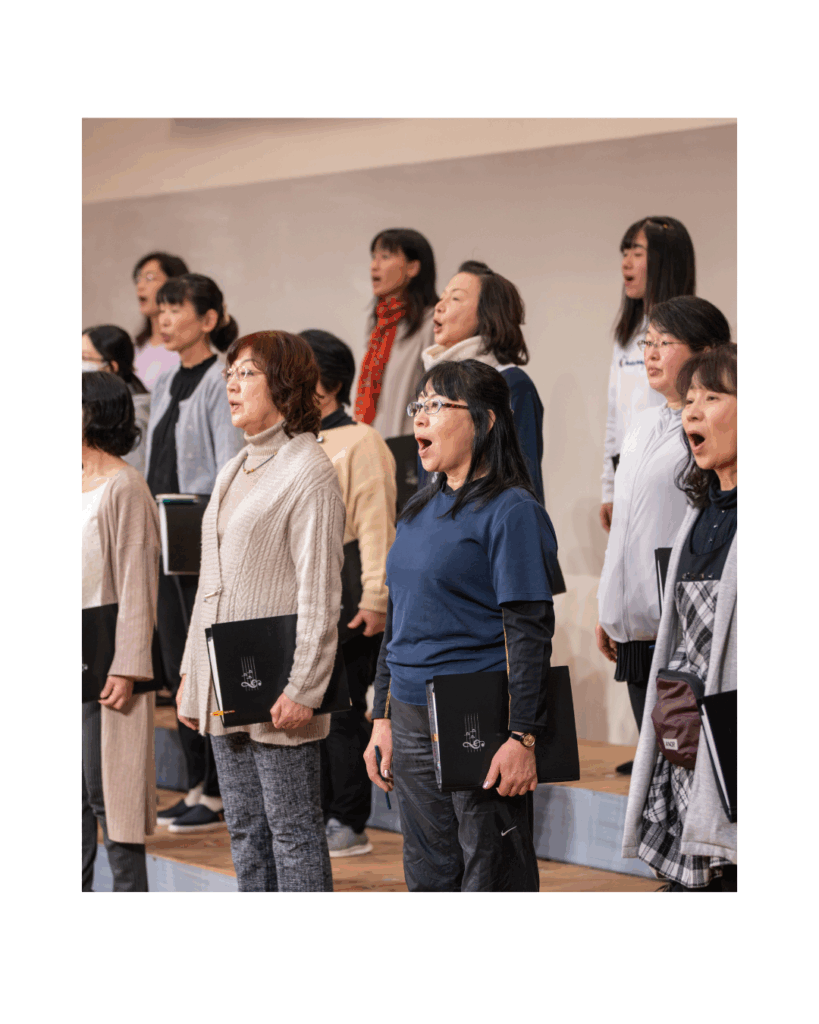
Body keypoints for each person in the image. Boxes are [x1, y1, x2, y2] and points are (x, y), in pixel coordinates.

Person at [365, 359, 560, 891]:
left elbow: (529, 632)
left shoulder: (512, 509)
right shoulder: (417, 508)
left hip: (476, 708)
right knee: (428, 870)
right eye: (419, 405)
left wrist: (523, 735)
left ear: (485, 420)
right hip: (408, 709)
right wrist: (381, 717)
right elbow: (396, 623)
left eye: (437, 405)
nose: (420, 417)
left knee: (490, 872)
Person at [176, 331, 345, 891]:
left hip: (278, 687)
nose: (232, 383)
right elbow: (210, 585)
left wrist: (305, 686)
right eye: (230, 373)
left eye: (247, 372)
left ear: (286, 383)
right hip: (226, 679)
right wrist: (192, 673)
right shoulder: (234, 467)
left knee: (292, 831)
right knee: (246, 829)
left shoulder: (308, 468)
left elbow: (320, 591)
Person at [595, 297, 732, 761]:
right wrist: (610, 604)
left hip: (679, 627)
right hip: (635, 627)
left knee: (690, 764)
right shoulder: (641, 424)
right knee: (656, 770)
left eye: (665, 343)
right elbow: (625, 526)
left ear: (706, 351)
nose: (650, 354)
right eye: (647, 343)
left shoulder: (709, 433)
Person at [622, 343, 737, 890]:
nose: (692, 410)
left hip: (734, 730)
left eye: (711, 397)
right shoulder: (699, 510)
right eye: (689, 399)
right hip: (687, 724)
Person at [145, 272, 244, 833]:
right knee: (174, 663)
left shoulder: (218, 378)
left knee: (203, 659)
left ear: (208, 319)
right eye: (160, 309)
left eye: (175, 308)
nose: (164, 319)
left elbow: (229, 467)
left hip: (200, 534)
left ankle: (217, 789)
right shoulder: (164, 381)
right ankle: (195, 785)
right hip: (164, 536)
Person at [301, 328, 397, 857]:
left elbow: (378, 524)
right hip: (301, 597)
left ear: (331, 383)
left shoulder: (361, 441)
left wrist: (376, 597)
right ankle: (316, 812)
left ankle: (349, 819)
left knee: (340, 709)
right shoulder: (291, 440)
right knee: (309, 709)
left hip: (350, 590)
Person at [420, 259, 566, 593]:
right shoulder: (430, 389)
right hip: (438, 555)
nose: (439, 306)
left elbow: (523, 479)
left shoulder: (512, 384)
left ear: (488, 315)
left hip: (488, 560)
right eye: (442, 297)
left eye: (456, 298)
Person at [82, 371, 160, 891]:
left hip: (105, 654)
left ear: (94, 414)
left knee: (110, 795)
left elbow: (139, 582)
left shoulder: (126, 485)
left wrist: (128, 666)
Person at [600, 217, 696, 534]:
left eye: (637, 253)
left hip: (671, 474)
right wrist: (609, 487)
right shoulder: (627, 335)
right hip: (628, 472)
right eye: (624, 253)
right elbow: (614, 414)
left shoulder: (691, 332)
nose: (626, 262)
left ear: (665, 262)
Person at [353, 228, 437, 439]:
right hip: (374, 441)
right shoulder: (380, 325)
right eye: (374, 257)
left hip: (411, 443)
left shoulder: (432, 323)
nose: (374, 265)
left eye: (385, 256)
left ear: (413, 267)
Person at [82, 324, 151, 474]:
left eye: (85, 358)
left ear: (111, 367)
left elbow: (132, 471)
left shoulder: (137, 414)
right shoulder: (94, 404)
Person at [132, 251, 189, 389]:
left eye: (150, 278)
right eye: (138, 279)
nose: (140, 286)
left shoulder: (184, 351)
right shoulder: (137, 348)